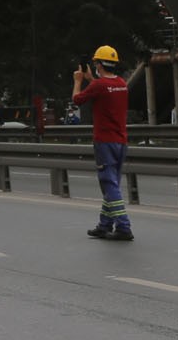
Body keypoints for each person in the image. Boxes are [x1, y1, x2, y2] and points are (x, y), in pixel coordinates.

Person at [73, 44, 134, 241]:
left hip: (104, 142)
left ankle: (124, 226)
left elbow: (77, 100)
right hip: (120, 142)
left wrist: (78, 80)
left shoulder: (98, 86)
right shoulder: (122, 84)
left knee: (109, 184)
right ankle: (104, 225)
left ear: (98, 64)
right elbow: (103, 89)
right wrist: (91, 79)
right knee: (112, 183)